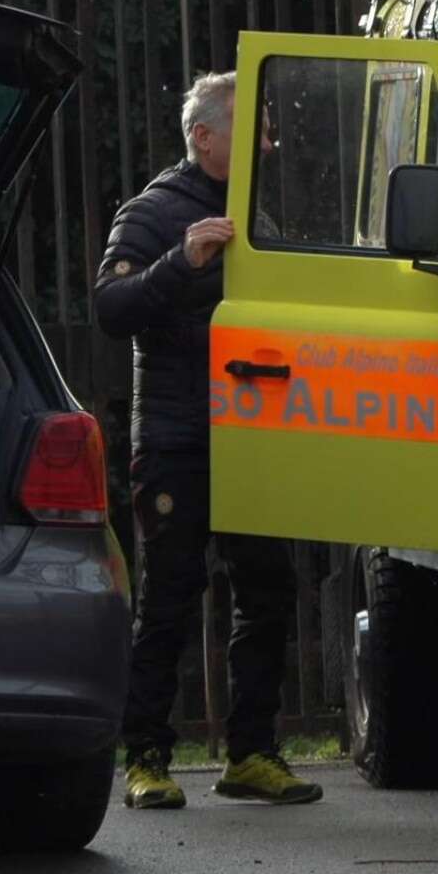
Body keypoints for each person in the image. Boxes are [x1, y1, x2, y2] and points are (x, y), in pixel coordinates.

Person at [94, 70, 320, 811]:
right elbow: (111, 306)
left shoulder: (261, 211)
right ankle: (147, 760)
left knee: (267, 591)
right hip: (178, 437)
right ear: (204, 136)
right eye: (253, 128)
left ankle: (251, 754)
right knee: (169, 596)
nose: (269, 141)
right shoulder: (153, 211)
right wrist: (179, 262)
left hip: (255, 431)